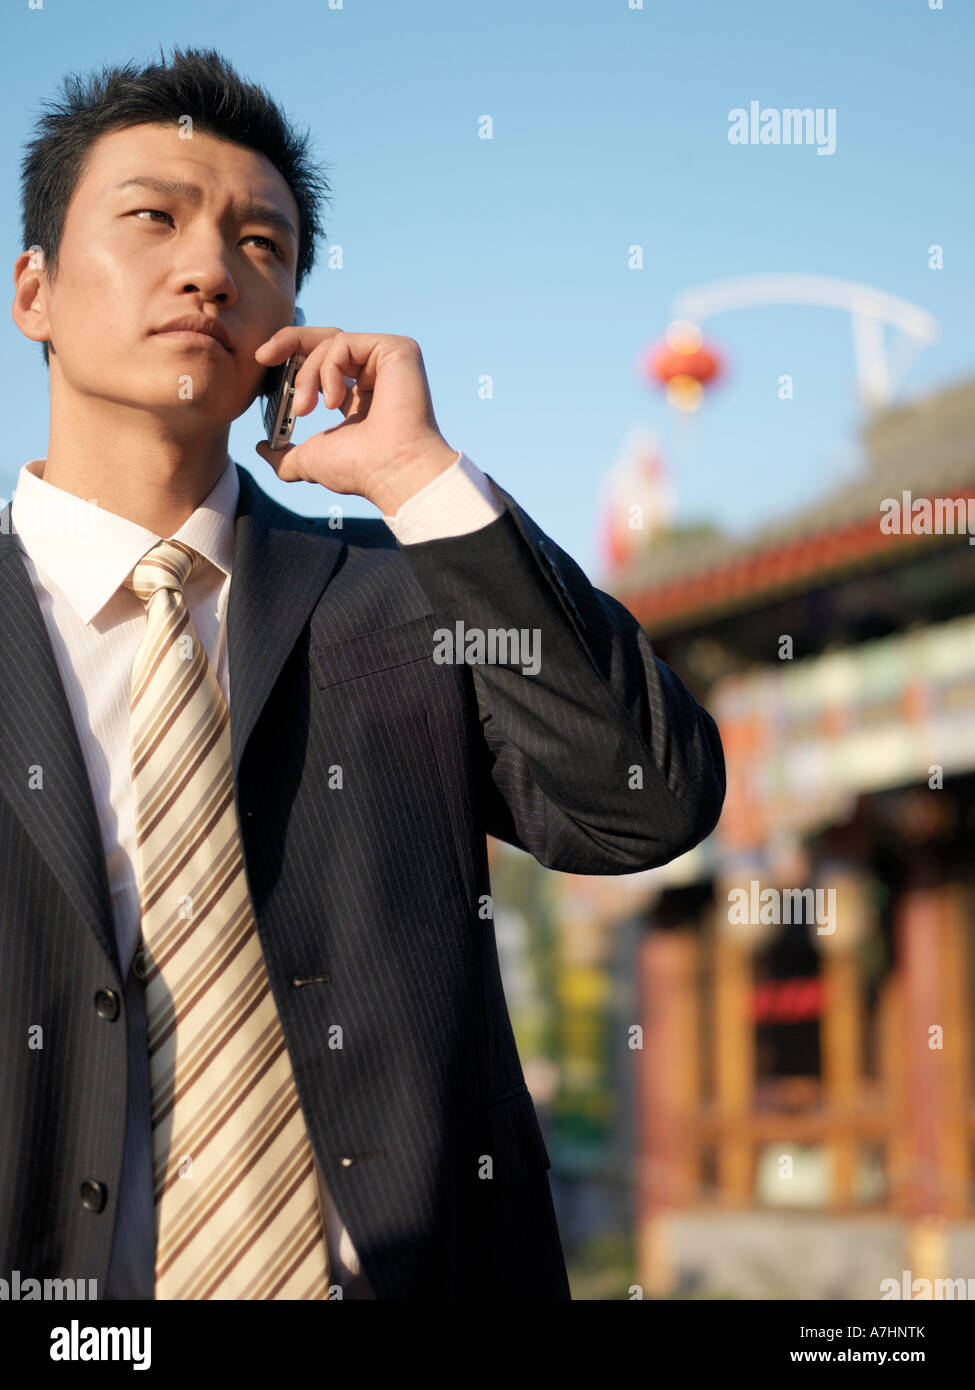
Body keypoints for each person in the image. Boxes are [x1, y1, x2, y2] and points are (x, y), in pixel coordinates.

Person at [0, 46, 725, 1301]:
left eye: (261, 244)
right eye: (153, 217)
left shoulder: (396, 594)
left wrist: (417, 479)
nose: (209, 266)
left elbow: (643, 798)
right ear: (35, 291)